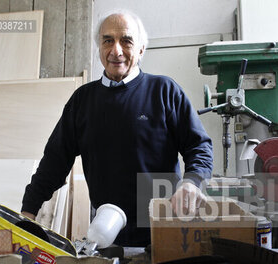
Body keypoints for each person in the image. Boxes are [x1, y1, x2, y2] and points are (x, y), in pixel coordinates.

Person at [21, 11, 213, 246]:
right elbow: (54, 161)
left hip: (165, 229)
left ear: (141, 49)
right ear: (99, 47)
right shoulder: (82, 100)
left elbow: (199, 146)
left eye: (126, 40)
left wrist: (192, 181)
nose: (116, 50)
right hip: (107, 233)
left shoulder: (164, 91)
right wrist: (28, 211)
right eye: (108, 40)